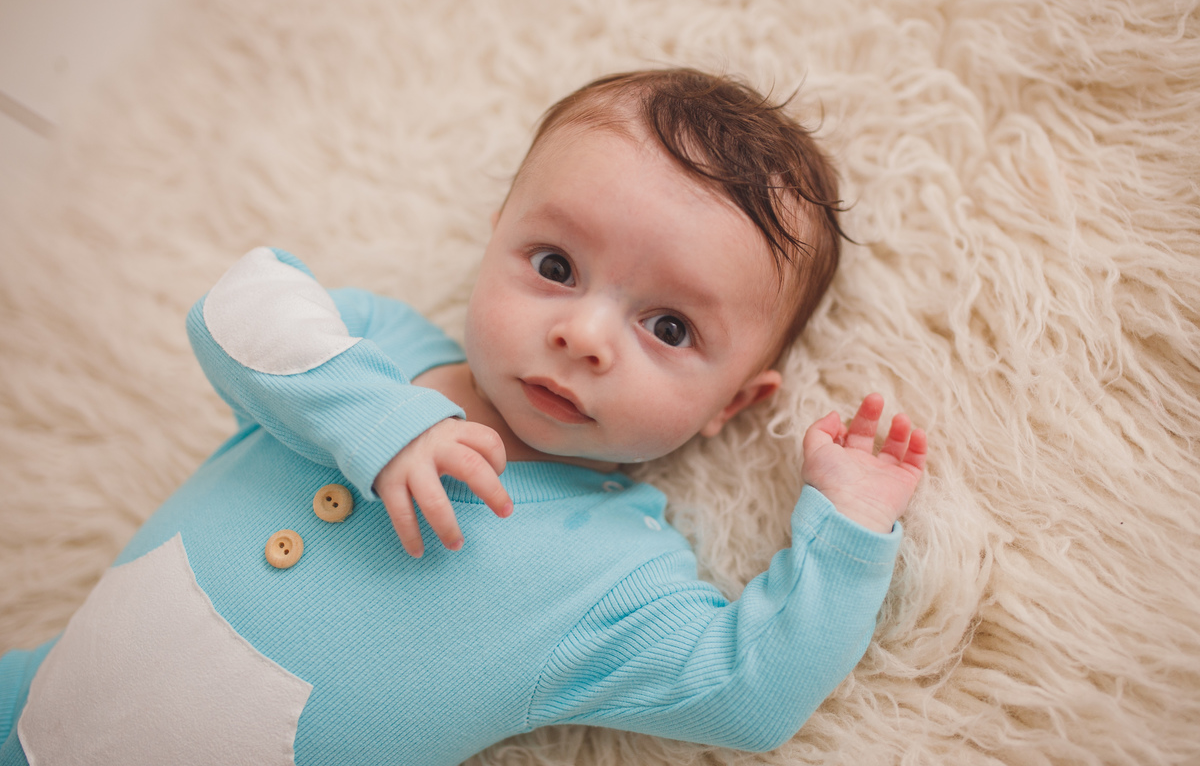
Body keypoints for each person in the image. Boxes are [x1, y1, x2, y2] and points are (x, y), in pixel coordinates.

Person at [0, 69, 926, 766]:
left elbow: (748, 693)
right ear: (495, 238)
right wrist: (382, 422)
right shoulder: (370, 344)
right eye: (556, 267)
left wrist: (847, 525)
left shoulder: (612, 574)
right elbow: (238, 306)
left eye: (670, 327)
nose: (584, 335)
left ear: (733, 404)